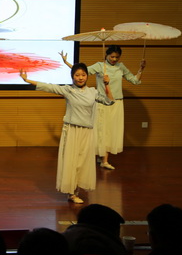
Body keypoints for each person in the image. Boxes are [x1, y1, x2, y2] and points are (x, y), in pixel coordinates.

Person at [20, 63, 113, 204]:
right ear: (72, 77)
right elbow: (48, 87)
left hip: (87, 131)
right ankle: (71, 193)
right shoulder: (68, 90)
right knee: (71, 161)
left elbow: (110, 101)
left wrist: (107, 85)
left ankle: (77, 189)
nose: (80, 78)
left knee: (83, 162)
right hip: (72, 130)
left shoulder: (92, 92)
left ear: (87, 76)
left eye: (83, 75)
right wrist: (27, 80)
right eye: (77, 75)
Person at [60, 45, 145, 170]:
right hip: (102, 102)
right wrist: (66, 62)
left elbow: (135, 80)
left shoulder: (121, 67)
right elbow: (82, 71)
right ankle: (103, 160)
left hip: (117, 103)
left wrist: (141, 69)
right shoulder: (100, 66)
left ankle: (103, 158)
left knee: (111, 130)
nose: (114, 59)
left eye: (117, 57)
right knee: (101, 130)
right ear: (107, 55)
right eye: (112, 56)